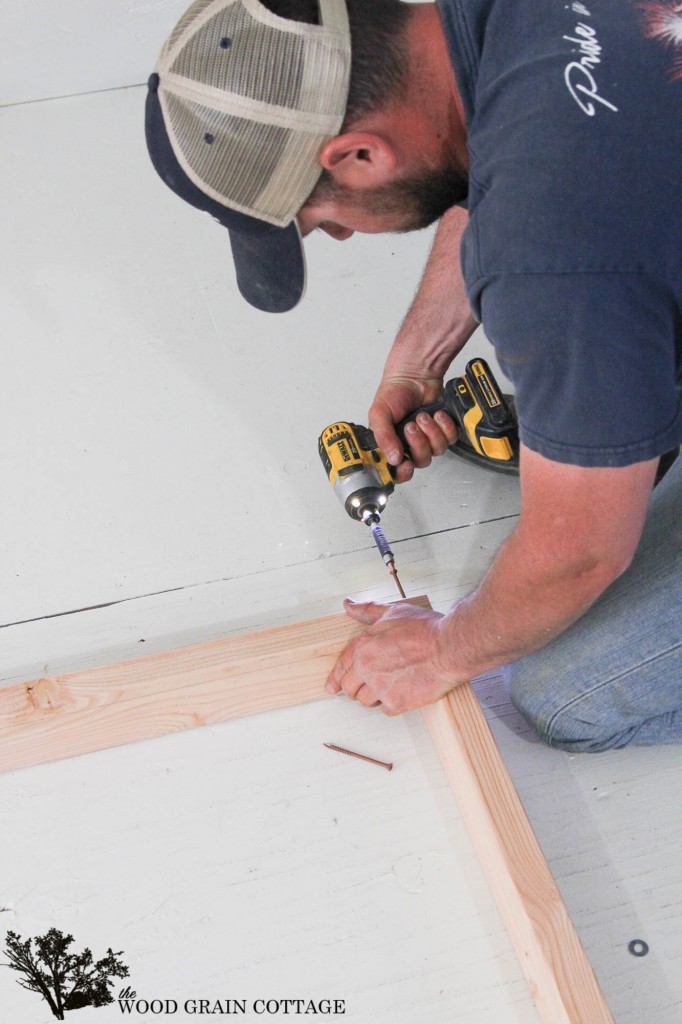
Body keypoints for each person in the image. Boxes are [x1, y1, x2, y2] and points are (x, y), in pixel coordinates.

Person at [146, 0, 682, 750]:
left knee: (564, 691)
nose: (336, 233)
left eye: (320, 216)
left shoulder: (552, 260)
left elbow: (584, 551)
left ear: (360, 155)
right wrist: (419, 359)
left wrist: (442, 648)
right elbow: (501, 157)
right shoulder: (473, 32)